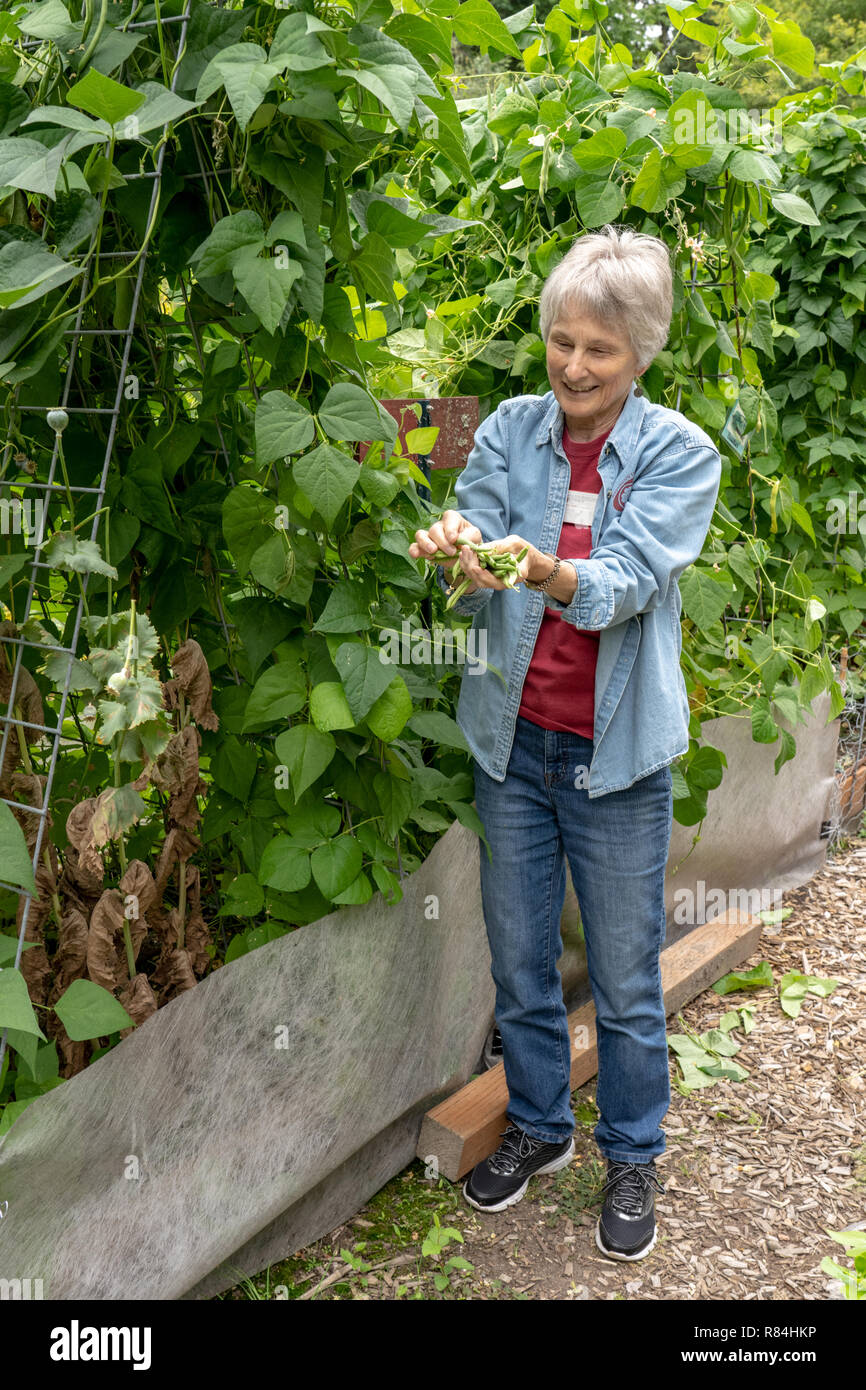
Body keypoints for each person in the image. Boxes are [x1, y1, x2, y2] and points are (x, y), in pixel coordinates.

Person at [409, 224, 723, 1262]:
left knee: (627, 979)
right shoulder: (506, 427)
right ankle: (541, 1128)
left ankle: (630, 1153)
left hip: (615, 758)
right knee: (518, 957)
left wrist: (538, 567)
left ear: (639, 351)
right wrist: (451, 550)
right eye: (558, 340)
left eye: (597, 348)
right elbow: (473, 526)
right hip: (514, 744)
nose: (572, 366)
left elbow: (623, 584)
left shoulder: (679, 454)